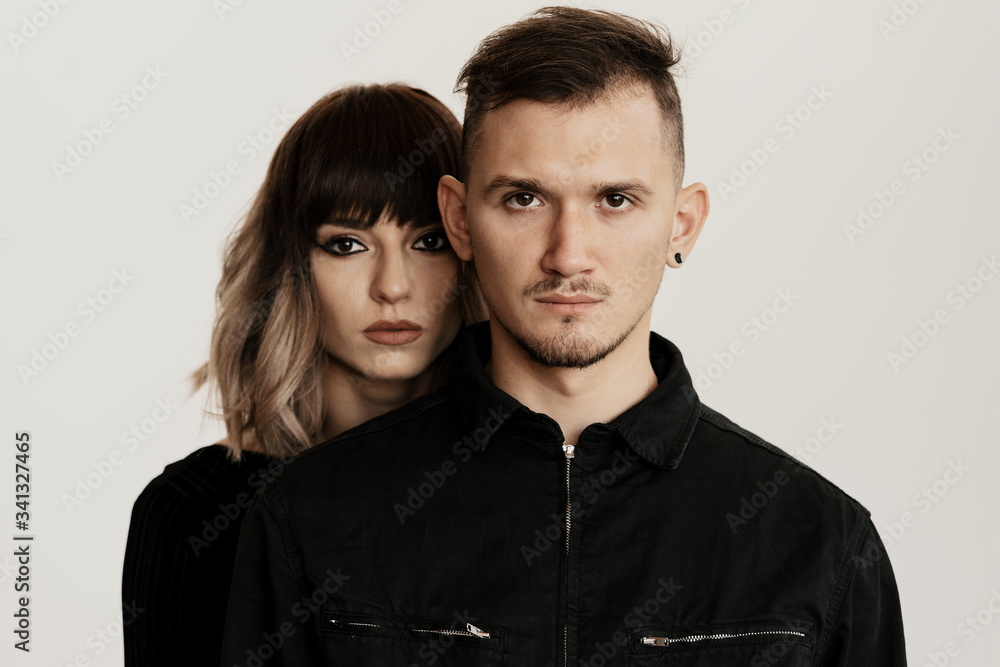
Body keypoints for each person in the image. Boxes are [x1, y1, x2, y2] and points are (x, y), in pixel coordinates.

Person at [221, 7, 906, 666]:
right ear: (459, 219)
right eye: (523, 198)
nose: (568, 254)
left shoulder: (820, 543)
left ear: (682, 223)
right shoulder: (307, 522)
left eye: (615, 200)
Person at [121, 83, 484, 667]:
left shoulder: (523, 486)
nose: (393, 286)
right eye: (347, 244)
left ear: (473, 252)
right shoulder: (193, 515)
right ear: (291, 266)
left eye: (428, 241)